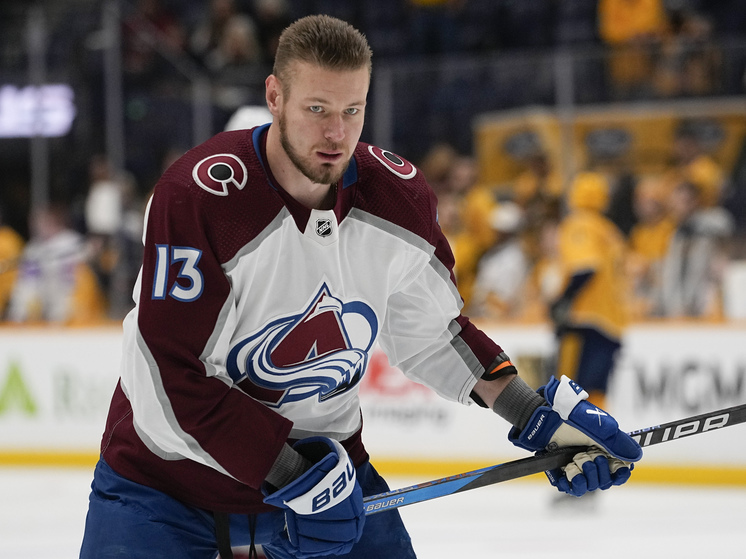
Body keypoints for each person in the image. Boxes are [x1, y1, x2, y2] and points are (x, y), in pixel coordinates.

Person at [79, 15, 642, 559]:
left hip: (328, 478)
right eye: (317, 109)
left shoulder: (397, 199)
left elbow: (434, 333)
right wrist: (291, 473)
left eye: (352, 110)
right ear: (275, 96)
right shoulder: (202, 197)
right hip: (167, 486)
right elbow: (170, 374)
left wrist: (533, 415)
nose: (336, 133)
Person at [549, 172, 629, 410]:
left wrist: (563, 300)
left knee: (570, 388)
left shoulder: (579, 224)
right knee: (597, 388)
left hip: (584, 319)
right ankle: (599, 429)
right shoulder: (609, 230)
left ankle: (572, 432)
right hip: (613, 320)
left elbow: (586, 267)